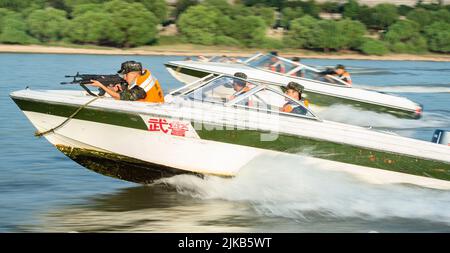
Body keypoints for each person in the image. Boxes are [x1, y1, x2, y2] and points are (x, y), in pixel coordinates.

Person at [88, 61, 164, 102]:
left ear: (134, 73)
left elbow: (120, 97)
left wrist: (101, 85)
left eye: (126, 74)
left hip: (151, 111)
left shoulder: (142, 87)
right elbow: (130, 90)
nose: (124, 77)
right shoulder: (143, 75)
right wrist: (114, 89)